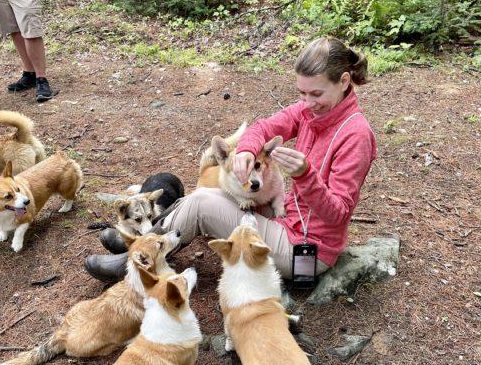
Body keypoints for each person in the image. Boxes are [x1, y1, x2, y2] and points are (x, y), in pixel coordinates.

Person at [86, 37, 378, 282]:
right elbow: (262, 128)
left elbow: (338, 213)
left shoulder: (355, 135)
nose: (307, 103)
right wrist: (249, 150)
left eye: (316, 93)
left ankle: (134, 262)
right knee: (208, 193)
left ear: (344, 81)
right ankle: (139, 244)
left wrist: (305, 175)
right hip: (288, 218)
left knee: (202, 204)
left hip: (307, 248)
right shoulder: (310, 110)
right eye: (301, 93)